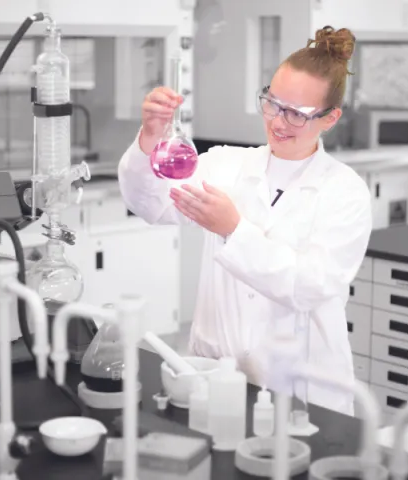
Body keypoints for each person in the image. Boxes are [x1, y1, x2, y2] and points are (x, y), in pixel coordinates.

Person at [118, 25, 372, 415]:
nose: (278, 122)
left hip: (301, 391)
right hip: (216, 373)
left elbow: (311, 285)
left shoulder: (345, 192)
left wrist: (234, 231)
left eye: (298, 114)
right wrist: (149, 139)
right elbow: (151, 203)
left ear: (330, 117)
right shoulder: (225, 164)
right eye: (272, 103)